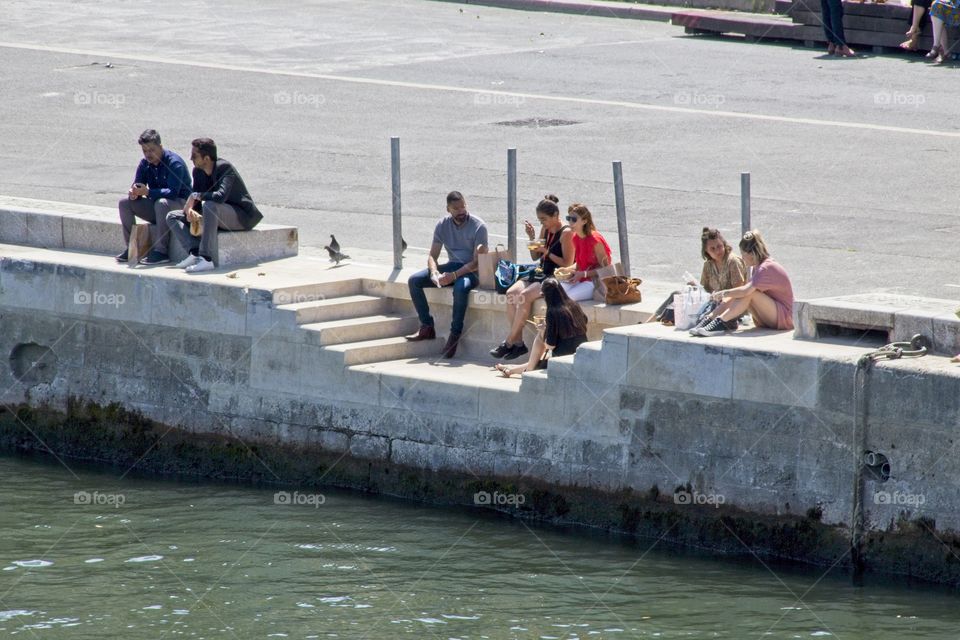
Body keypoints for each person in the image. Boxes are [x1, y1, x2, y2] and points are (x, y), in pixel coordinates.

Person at [489, 195, 574, 360]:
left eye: (544, 220)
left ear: (556, 216)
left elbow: (567, 263)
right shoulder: (545, 229)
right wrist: (531, 237)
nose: (543, 223)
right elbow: (535, 256)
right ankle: (519, 343)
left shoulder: (567, 233)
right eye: (540, 220)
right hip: (540, 271)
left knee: (524, 296)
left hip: (555, 275)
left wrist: (546, 252)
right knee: (511, 293)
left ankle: (509, 342)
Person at [405, 191, 488, 359]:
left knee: (460, 288)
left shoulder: (479, 226)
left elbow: (476, 263)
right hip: (452, 266)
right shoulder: (442, 225)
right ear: (448, 209)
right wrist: (434, 272)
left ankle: (454, 336)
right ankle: (427, 326)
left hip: (472, 271)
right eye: (456, 208)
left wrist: (454, 276)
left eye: (463, 206)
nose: (461, 211)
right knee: (414, 281)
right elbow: (432, 256)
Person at [166, 138, 263, 273]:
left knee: (211, 205)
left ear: (206, 158)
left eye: (194, 156)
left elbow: (220, 196)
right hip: (216, 214)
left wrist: (195, 196)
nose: (190, 158)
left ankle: (206, 259)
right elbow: (198, 200)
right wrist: (191, 212)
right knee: (172, 216)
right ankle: (195, 253)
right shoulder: (198, 171)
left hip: (241, 216)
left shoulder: (224, 168)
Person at [691, 229, 794, 337]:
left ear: (752, 254)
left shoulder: (766, 267)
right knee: (740, 293)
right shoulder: (757, 267)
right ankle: (710, 319)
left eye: (743, 254)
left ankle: (720, 322)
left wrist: (723, 293)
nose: (743, 258)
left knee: (748, 292)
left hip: (786, 318)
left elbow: (745, 291)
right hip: (773, 318)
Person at [116, 129, 192, 265]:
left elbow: (173, 193)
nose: (148, 154)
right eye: (145, 151)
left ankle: (161, 251)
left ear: (160, 147)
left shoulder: (174, 163)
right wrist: (133, 193)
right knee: (124, 203)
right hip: (158, 208)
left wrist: (148, 193)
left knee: (161, 203)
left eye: (152, 150)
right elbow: (138, 185)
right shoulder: (144, 164)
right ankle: (132, 248)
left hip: (181, 207)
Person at [495, 278, 588, 377]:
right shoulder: (573, 304)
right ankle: (511, 369)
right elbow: (585, 320)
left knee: (540, 344)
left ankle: (521, 370)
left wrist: (544, 330)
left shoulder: (552, 311)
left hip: (564, 357)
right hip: (581, 352)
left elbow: (550, 346)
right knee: (540, 360)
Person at [559, 203, 612, 302]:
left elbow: (606, 268)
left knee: (567, 298)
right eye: (568, 218)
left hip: (594, 281)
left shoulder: (595, 240)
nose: (570, 222)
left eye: (574, 219)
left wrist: (584, 274)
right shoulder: (575, 238)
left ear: (584, 221)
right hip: (581, 278)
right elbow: (580, 263)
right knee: (555, 292)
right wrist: (567, 270)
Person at [698, 227, 747, 294]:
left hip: (734, 302)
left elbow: (738, 291)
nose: (717, 251)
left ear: (723, 244)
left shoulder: (733, 262)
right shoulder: (708, 265)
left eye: (719, 246)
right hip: (716, 302)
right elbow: (704, 289)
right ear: (706, 251)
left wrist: (721, 297)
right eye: (712, 249)